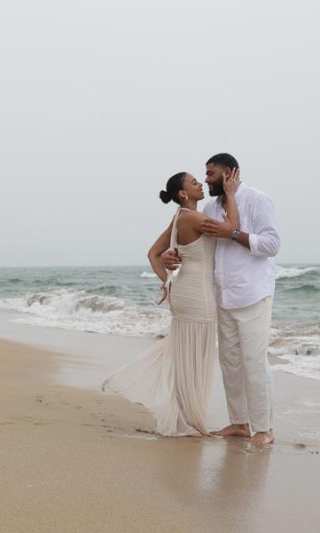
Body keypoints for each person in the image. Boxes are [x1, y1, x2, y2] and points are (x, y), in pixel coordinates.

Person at [100, 170, 241, 436]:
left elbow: (153, 253)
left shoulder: (178, 218)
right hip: (197, 295)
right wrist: (231, 195)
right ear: (183, 194)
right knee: (194, 355)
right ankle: (187, 418)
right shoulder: (195, 218)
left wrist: (166, 280)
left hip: (184, 291)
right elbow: (232, 229)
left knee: (185, 354)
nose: (200, 184)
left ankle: (184, 416)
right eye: (194, 182)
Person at [164, 153, 280, 446]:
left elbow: (271, 244)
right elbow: (201, 246)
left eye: (211, 174)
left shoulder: (257, 199)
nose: (205, 179)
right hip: (221, 295)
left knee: (254, 362)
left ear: (229, 173)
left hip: (252, 293)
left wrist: (236, 233)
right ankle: (240, 423)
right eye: (203, 174)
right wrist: (171, 254)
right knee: (230, 363)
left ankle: (264, 428)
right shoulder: (209, 207)